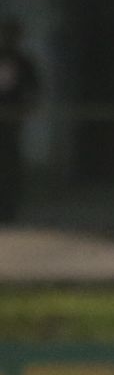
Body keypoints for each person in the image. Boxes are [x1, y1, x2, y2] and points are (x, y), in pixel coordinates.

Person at [0, 18, 41, 224]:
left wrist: (22, 111)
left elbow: (34, 91)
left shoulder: (23, 62)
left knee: (10, 164)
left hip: (11, 120)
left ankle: (8, 209)